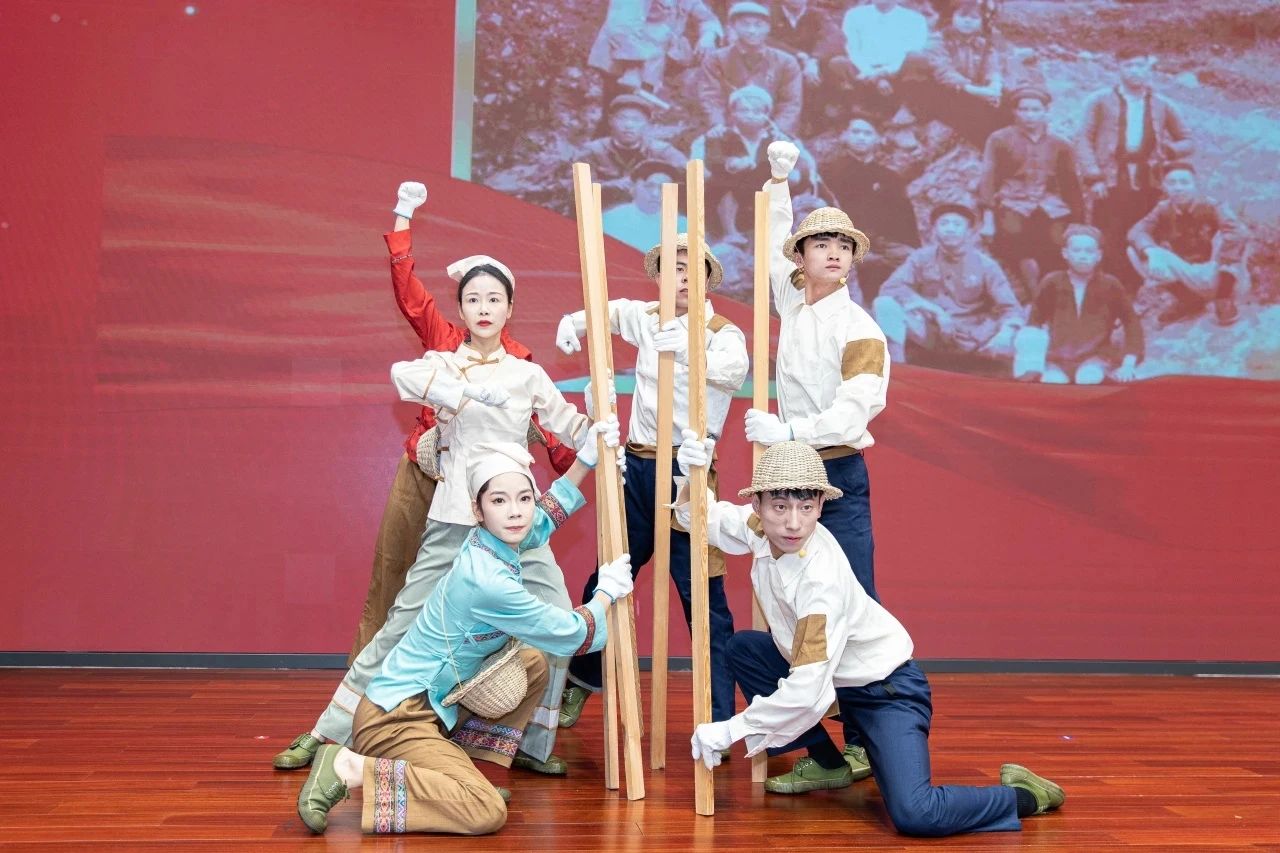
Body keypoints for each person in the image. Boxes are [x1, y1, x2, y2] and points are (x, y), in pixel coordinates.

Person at [276, 199, 607, 778]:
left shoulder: (528, 373)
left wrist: (600, 427)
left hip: (518, 523)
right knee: (399, 625)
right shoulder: (445, 363)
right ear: (461, 308)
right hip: (455, 515)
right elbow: (403, 377)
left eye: (494, 299)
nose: (484, 308)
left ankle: (528, 745)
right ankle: (327, 734)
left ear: (510, 308)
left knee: (558, 618)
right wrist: (463, 393)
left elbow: (570, 427)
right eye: (473, 299)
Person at [674, 438, 1066, 836]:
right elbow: (701, 518)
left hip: (886, 692)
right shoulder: (760, 529)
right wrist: (692, 473)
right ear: (757, 505)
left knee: (916, 814)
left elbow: (807, 692)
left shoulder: (820, 583)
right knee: (745, 649)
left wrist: (730, 729)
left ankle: (1023, 796)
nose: (793, 523)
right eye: (780, 507)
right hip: (838, 685)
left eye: (806, 508)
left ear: (820, 506)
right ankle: (828, 763)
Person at [295, 437, 636, 835]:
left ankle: (467, 771)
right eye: (499, 501)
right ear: (478, 509)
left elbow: (541, 521)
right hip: (395, 718)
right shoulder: (487, 582)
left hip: (431, 707)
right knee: (485, 812)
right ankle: (349, 767)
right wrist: (604, 594)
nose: (515, 511)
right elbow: (571, 634)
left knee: (532, 663)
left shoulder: (489, 541)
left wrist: (585, 461)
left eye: (524, 498)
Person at [553, 237, 747, 729]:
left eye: (692, 268)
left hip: (689, 474)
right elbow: (610, 312)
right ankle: (582, 682)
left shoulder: (721, 333)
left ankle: (719, 715)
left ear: (708, 279)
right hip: (638, 470)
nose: (682, 277)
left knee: (703, 596)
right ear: (658, 278)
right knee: (607, 578)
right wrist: (573, 322)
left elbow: (734, 371)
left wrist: (687, 351)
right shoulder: (646, 317)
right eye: (672, 268)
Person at [745, 140, 890, 780]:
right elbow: (771, 238)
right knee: (785, 603)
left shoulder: (859, 328)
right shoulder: (792, 301)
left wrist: (788, 428)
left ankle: (862, 743)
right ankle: (815, 748)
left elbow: (855, 411)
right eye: (821, 244)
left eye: (844, 246)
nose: (834, 253)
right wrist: (779, 180)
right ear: (801, 258)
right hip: (787, 474)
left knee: (852, 601)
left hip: (835, 470)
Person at [1078, 48, 1194, 294]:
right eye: (1128, 65)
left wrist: (1168, 151)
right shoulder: (1099, 101)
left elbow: (1188, 140)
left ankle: (1138, 287)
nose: (1135, 71)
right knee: (1109, 232)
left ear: (1148, 68)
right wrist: (1094, 176)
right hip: (1110, 178)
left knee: (1142, 230)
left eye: (1140, 65)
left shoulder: (1162, 104)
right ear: (1118, 68)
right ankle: (1107, 288)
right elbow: (1083, 139)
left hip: (1147, 180)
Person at [874, 202, 1022, 367]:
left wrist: (1005, 333)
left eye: (957, 224)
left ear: (969, 231)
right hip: (933, 331)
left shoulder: (986, 265)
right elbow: (890, 288)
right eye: (944, 224)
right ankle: (896, 368)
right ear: (934, 230)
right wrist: (935, 310)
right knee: (884, 304)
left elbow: (1011, 308)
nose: (950, 229)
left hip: (974, 336)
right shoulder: (921, 257)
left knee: (1026, 339)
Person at [979, 86, 1082, 301]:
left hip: (1049, 203)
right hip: (1013, 200)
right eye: (1024, 110)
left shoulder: (1060, 144)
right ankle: (1033, 295)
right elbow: (988, 178)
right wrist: (987, 218)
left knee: (1058, 239)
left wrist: (1078, 223)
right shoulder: (999, 139)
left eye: (1035, 110)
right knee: (1014, 235)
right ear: (1015, 112)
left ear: (1046, 112)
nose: (1029, 116)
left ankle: (1056, 293)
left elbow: (1071, 184)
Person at [1013, 224, 1143, 384]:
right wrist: (1032, 362)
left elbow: (1131, 323)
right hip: (1056, 357)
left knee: (1088, 378)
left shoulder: (1110, 285)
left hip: (1096, 357)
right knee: (1053, 381)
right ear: (1065, 253)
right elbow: (1034, 322)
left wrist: (1128, 363)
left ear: (1099, 255)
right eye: (1076, 250)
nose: (1083, 256)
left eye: (1089, 251)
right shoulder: (1052, 282)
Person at [690, 84, 816, 245]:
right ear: (732, 113)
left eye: (757, 112)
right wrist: (730, 164)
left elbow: (804, 165)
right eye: (744, 110)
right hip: (729, 192)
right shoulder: (718, 136)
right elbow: (706, 161)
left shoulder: (777, 138)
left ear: (767, 115)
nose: (750, 115)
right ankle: (730, 232)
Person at [1126, 162, 1248, 327]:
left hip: (1214, 269)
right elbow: (1136, 231)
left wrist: (1222, 262)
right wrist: (1152, 251)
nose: (1178, 188)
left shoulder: (1211, 205)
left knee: (1231, 234)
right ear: (1164, 187)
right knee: (1134, 251)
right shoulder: (1163, 209)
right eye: (1172, 183)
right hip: (1186, 271)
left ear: (1195, 185)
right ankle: (1189, 301)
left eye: (1184, 182)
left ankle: (1223, 299)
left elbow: (1238, 232)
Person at [816, 113, 921, 303]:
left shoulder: (889, 177)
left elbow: (905, 218)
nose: (861, 137)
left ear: (878, 139)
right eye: (856, 132)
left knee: (914, 262)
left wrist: (911, 248)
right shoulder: (828, 172)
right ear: (844, 136)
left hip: (884, 246)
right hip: (844, 243)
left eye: (867, 133)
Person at [698, 2, 803, 135]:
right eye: (745, 24)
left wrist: (778, 129)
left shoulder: (786, 62)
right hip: (728, 130)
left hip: (772, 130)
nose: (752, 30)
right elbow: (711, 97)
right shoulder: (716, 60)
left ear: (768, 28)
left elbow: (791, 103)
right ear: (733, 27)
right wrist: (717, 124)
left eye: (758, 25)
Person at [575, 95, 686, 210]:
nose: (628, 125)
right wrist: (615, 185)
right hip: (602, 213)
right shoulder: (592, 151)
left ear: (647, 124)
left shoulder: (660, 150)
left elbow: (690, 172)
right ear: (610, 121)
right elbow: (576, 190)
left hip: (647, 214)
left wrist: (654, 180)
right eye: (622, 118)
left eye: (636, 120)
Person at [820, 0, 929, 115]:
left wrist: (885, 72)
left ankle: (907, 108)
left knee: (917, 59)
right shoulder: (854, 15)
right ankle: (854, 108)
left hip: (897, 72)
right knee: (838, 63)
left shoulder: (915, 19)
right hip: (863, 72)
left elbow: (911, 51)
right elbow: (852, 50)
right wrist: (873, 75)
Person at [601, 159, 689, 251]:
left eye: (663, 188)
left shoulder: (681, 226)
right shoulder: (612, 220)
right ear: (633, 188)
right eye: (649, 186)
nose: (655, 194)